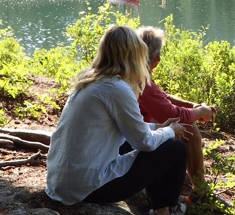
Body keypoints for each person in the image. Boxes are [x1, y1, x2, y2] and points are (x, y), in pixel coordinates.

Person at [46, 25, 191, 215]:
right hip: (87, 188)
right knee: (175, 148)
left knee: (158, 139)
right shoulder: (117, 88)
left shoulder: (90, 81)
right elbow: (145, 142)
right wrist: (170, 130)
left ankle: (160, 206)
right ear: (133, 55)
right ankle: (168, 209)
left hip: (61, 183)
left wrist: (158, 127)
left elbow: (123, 127)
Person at [136, 26, 217, 201]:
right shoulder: (141, 80)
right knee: (188, 128)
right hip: (132, 142)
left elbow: (162, 98)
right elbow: (171, 113)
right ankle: (200, 191)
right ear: (156, 58)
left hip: (131, 137)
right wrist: (201, 111)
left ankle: (186, 177)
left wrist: (193, 105)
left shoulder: (135, 73)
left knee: (182, 123)